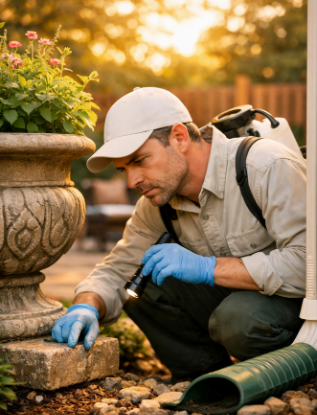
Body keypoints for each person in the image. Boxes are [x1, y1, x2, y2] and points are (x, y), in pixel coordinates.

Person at [51, 87, 306, 380]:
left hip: (299, 305)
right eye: (123, 169)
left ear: (179, 137)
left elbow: (307, 266)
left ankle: (299, 367)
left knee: (238, 319)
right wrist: (85, 305)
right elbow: (118, 269)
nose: (133, 180)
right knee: (140, 283)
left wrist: (209, 268)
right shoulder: (157, 202)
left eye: (139, 160)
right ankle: (204, 378)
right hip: (243, 300)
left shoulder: (266, 166)